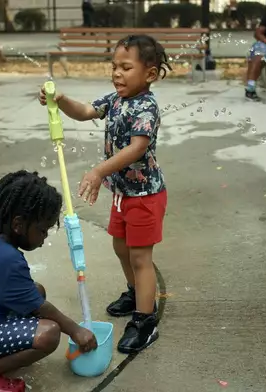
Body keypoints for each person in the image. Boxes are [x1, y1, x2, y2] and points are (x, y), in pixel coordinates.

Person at [38, 34, 170, 354]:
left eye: (126, 67)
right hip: (124, 194)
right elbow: (84, 111)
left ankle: (145, 320)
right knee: (121, 246)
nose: (117, 73)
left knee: (141, 258)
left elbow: (138, 148)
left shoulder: (146, 107)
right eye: (114, 66)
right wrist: (61, 100)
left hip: (144, 196)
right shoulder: (115, 100)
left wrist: (99, 171)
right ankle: (134, 291)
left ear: (149, 74)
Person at [0, 170, 98, 391]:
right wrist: (75, 330)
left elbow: (34, 300)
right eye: (42, 230)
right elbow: (43, 309)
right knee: (49, 333)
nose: (44, 239)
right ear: (18, 225)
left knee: (37, 290)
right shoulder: (9, 260)